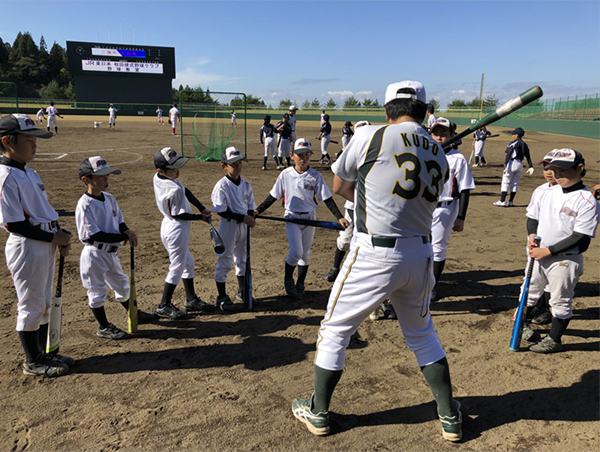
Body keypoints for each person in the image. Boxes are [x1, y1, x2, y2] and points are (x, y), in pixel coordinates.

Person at [291, 81, 462, 442]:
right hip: (421, 254)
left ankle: (318, 412)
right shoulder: (440, 153)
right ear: (424, 111)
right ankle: (450, 417)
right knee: (424, 336)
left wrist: (372, 195)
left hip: (375, 253)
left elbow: (339, 186)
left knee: (335, 330)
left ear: (387, 111)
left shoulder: (370, 137)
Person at [0, 114, 73, 377]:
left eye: (35, 139)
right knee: (31, 304)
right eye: (29, 140)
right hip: (27, 247)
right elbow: (14, 224)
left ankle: (45, 353)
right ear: (8, 141)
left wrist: (58, 233)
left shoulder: (29, 172)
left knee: (42, 303)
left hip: (44, 243)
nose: (35, 144)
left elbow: (43, 212)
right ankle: (33, 361)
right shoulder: (5, 177)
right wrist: (55, 238)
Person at [522, 149, 598, 353]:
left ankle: (554, 339)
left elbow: (580, 237)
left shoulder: (587, 200)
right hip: (538, 254)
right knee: (528, 293)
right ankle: (521, 325)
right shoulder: (546, 191)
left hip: (565, 259)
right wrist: (531, 236)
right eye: (553, 169)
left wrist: (547, 251)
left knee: (560, 300)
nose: (557, 175)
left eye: (563, 170)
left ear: (579, 168)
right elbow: (533, 217)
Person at [255, 138, 349, 299]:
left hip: (309, 218)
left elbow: (327, 198)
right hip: (291, 217)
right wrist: (258, 210)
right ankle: (288, 279)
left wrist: (339, 217)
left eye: (307, 154)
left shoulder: (315, 176)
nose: (303, 158)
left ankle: (300, 283)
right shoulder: (285, 175)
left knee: (305, 253)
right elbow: (273, 196)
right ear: (292, 155)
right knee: (296, 251)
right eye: (300, 155)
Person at [76, 156, 157, 340]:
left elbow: (119, 222)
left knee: (121, 284)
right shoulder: (85, 205)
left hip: (111, 253)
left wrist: (127, 231)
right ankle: (103, 326)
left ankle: (134, 313)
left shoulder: (110, 199)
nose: (106, 180)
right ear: (86, 180)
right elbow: (93, 235)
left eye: (107, 176)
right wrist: (123, 236)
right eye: (101, 176)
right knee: (96, 292)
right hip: (94, 254)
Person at [152, 147, 215, 318]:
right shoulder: (173, 189)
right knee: (177, 266)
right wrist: (200, 217)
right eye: (173, 168)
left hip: (169, 226)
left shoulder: (159, 178)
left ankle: (191, 299)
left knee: (188, 264)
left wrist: (201, 207)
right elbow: (177, 214)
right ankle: (164, 304)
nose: (177, 171)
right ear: (161, 170)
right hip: (176, 229)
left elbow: (185, 190)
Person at [428, 118, 475, 302]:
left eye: (444, 134)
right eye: (436, 134)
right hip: (423, 208)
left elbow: (465, 189)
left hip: (446, 209)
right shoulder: (425, 155)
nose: (440, 137)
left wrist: (461, 216)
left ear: (452, 136)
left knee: (437, 249)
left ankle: (432, 287)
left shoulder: (459, 159)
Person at [211, 147, 257, 311]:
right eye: (233, 164)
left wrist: (251, 217)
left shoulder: (245, 184)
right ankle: (221, 297)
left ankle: (243, 292)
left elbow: (250, 205)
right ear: (224, 166)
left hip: (244, 228)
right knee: (224, 260)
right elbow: (221, 210)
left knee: (242, 260)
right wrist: (243, 217)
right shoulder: (222, 186)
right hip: (228, 227)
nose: (238, 166)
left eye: (239, 162)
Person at [522, 150, 558, 326]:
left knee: (552, 282)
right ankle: (534, 309)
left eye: (553, 168)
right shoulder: (540, 190)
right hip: (537, 243)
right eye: (546, 167)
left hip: (558, 246)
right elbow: (532, 217)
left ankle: (544, 310)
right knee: (534, 279)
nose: (549, 172)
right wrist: (531, 235)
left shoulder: (571, 193)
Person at [493, 127, 533, 207]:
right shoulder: (525, 145)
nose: (512, 135)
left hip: (512, 163)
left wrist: (505, 164)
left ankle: (502, 201)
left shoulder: (513, 143)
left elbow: (508, 154)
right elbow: (528, 156)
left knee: (505, 181)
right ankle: (511, 201)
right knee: (514, 183)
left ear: (517, 135)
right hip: (520, 165)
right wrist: (530, 166)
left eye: (513, 134)